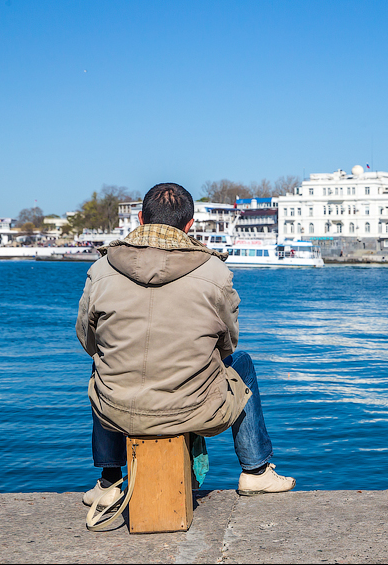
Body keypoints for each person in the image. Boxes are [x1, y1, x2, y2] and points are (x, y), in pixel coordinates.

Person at [77, 182, 294, 508]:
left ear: (140, 218)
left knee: (104, 363)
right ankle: (256, 470)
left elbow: (89, 341)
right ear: (189, 225)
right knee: (243, 362)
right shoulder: (214, 271)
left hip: (119, 411)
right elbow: (228, 344)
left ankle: (110, 479)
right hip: (194, 408)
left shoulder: (101, 269)